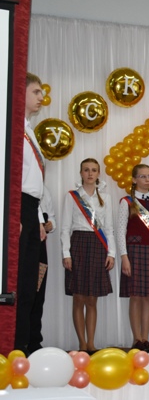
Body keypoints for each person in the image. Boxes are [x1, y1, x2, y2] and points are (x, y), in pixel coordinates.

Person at [60, 158, 115, 353]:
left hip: (98, 246)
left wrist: (111, 253)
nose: (90, 173)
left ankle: (91, 344)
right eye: (86, 170)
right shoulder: (72, 197)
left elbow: (109, 229)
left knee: (92, 299)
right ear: (81, 173)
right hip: (78, 245)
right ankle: (81, 344)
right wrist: (66, 253)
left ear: (98, 173)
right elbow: (65, 228)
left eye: (93, 170)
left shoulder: (105, 198)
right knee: (79, 297)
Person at [117, 164, 149, 350]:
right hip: (134, 252)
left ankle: (145, 338)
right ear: (134, 179)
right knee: (136, 296)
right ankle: (136, 338)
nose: (147, 180)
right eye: (143, 176)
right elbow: (120, 231)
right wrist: (124, 257)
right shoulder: (127, 202)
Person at [15, 73, 47, 355]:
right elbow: (13, 178)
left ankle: (23, 344)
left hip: (31, 208)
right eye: (36, 91)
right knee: (18, 280)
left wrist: (36, 220)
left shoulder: (29, 131)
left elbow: (34, 184)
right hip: (17, 206)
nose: (41, 97)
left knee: (29, 283)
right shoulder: (13, 130)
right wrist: (13, 216)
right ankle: (13, 344)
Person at [30, 185, 55, 353]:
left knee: (38, 295)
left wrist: (49, 225)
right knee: (26, 294)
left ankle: (34, 341)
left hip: (40, 249)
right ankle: (22, 339)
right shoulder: (21, 189)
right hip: (24, 245)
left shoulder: (45, 190)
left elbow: (52, 219)